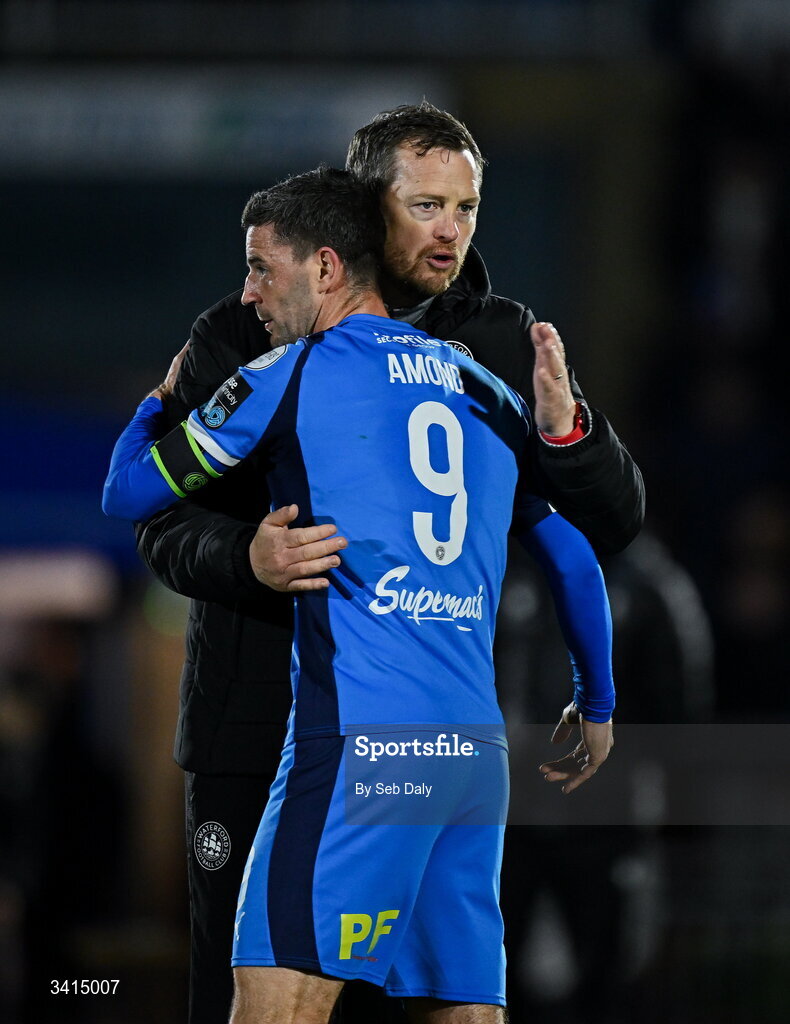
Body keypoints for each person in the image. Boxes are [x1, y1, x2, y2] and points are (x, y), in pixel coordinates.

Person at [134, 103, 641, 1023]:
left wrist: (570, 431)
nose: (450, 230)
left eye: (467, 207)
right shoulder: (247, 324)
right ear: (363, 208)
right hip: (255, 728)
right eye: (426, 205)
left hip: (388, 729)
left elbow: (611, 519)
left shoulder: (497, 340)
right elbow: (158, 522)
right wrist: (247, 556)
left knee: (320, 996)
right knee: (234, 987)